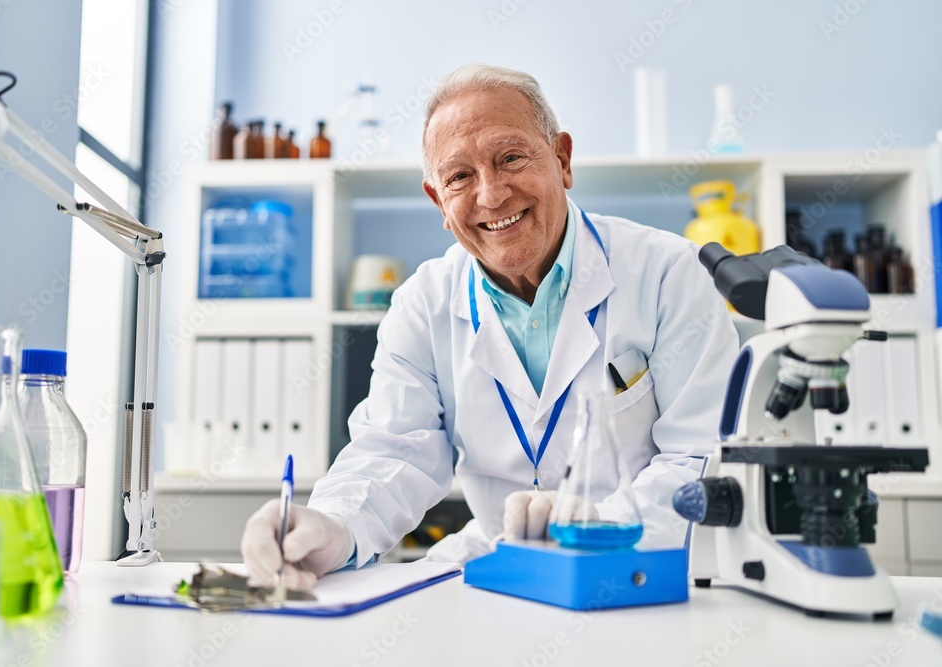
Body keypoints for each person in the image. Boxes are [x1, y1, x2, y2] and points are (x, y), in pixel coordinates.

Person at [241, 64, 739, 590]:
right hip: (501, 570)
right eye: (459, 176)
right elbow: (392, 451)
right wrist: (333, 525)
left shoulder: (670, 272)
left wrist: (603, 525)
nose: (492, 194)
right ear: (439, 201)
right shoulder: (422, 302)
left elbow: (702, 456)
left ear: (563, 160)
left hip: (645, 571)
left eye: (511, 158)